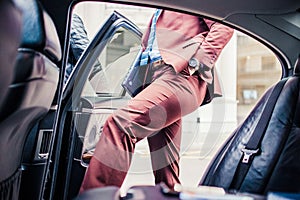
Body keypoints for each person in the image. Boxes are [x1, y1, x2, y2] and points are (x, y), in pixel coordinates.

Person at [80, 9, 234, 192]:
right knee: (166, 167)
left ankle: (95, 196)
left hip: (179, 76)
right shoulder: (159, 12)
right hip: (156, 79)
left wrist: (196, 63)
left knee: (121, 124)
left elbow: (223, 26)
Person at [65, 13, 101, 83]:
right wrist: (104, 91)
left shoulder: (70, 20)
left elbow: (88, 59)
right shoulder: (71, 19)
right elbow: (88, 59)